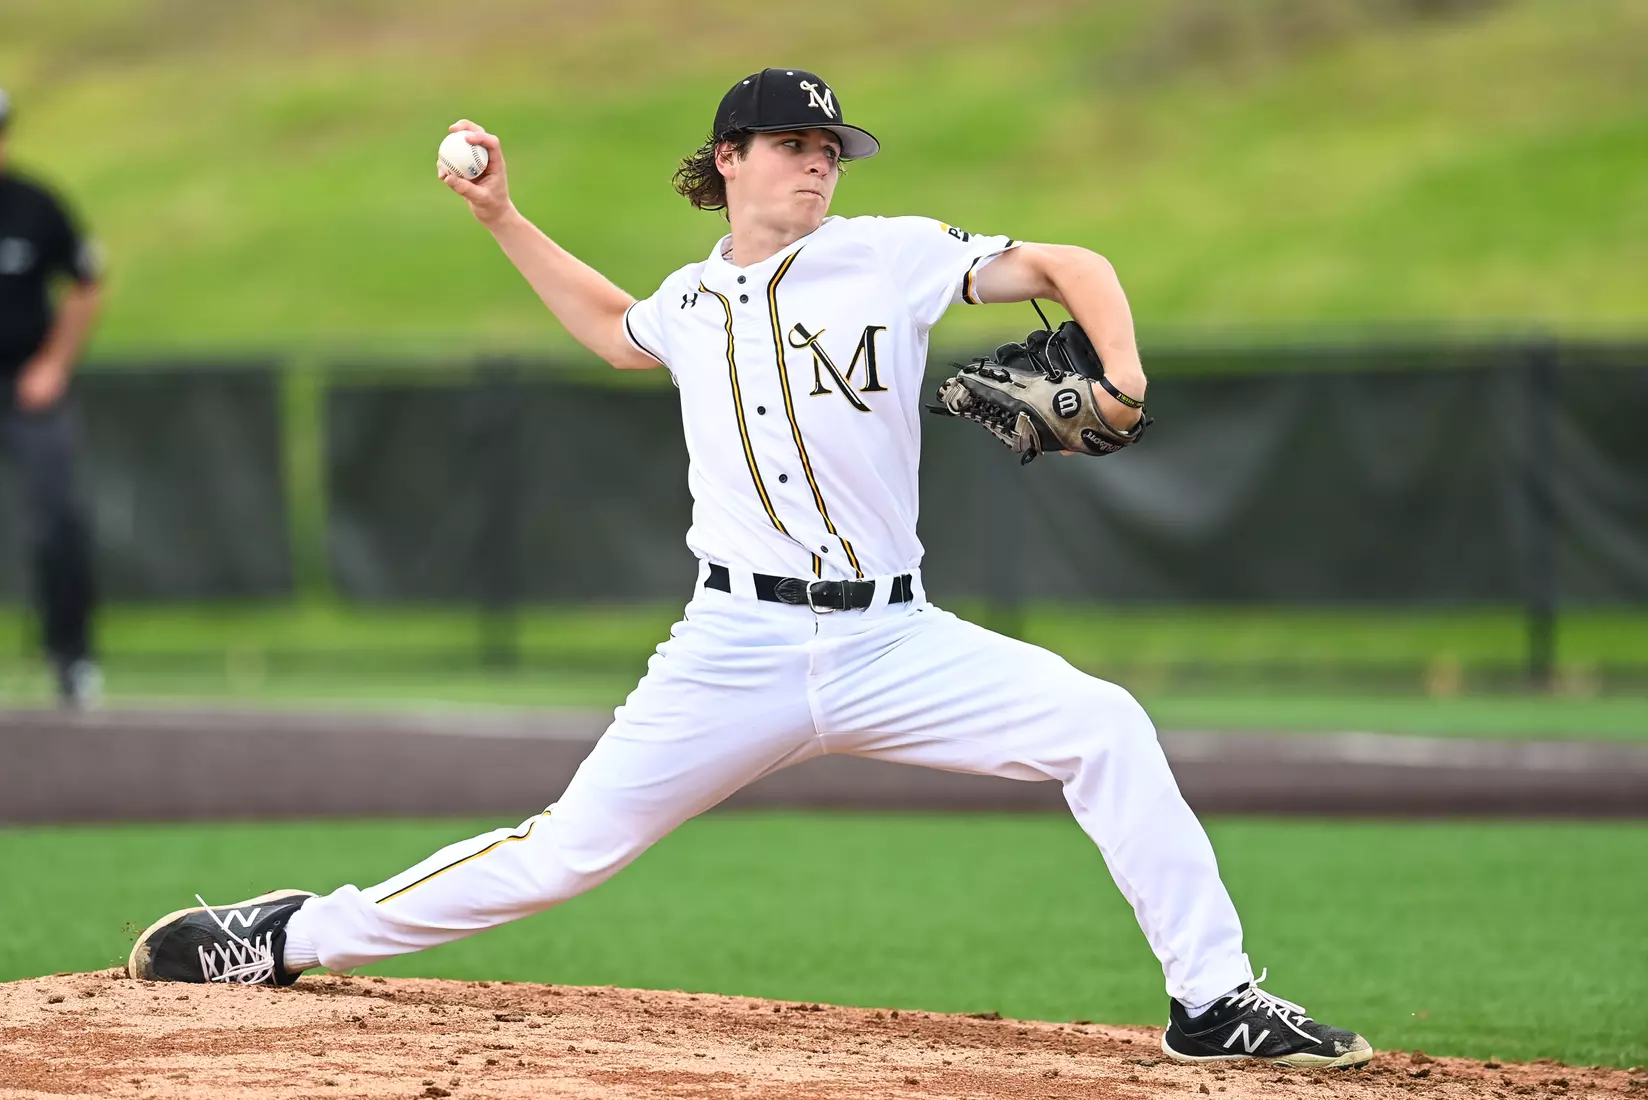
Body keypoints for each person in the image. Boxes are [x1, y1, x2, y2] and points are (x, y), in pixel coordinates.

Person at [127, 69, 1371, 1068]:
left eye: (829, 145)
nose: (819, 159)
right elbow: (618, 335)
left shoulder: (890, 255)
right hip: (735, 648)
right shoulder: (690, 299)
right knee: (567, 850)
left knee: (1101, 723)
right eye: (790, 142)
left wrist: (1122, 372)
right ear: (728, 159)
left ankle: (1212, 998)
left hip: (898, 640)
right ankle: (291, 931)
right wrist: (504, 219)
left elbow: (1068, 266)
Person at [0, 87, 102, 708]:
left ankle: (73, 658)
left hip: (26, 386)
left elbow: (86, 283)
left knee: (59, 518)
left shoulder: (35, 205)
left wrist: (54, 363)